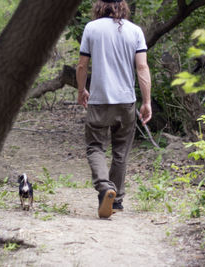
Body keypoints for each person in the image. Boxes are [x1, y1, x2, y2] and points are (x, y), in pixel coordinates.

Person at [76, 0, 152, 219]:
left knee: (95, 147)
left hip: (99, 100)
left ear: (100, 6)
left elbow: (82, 65)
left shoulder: (92, 28)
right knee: (121, 152)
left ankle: (104, 187)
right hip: (126, 101)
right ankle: (116, 199)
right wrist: (146, 101)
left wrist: (82, 90)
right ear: (123, 6)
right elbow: (142, 67)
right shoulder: (135, 31)